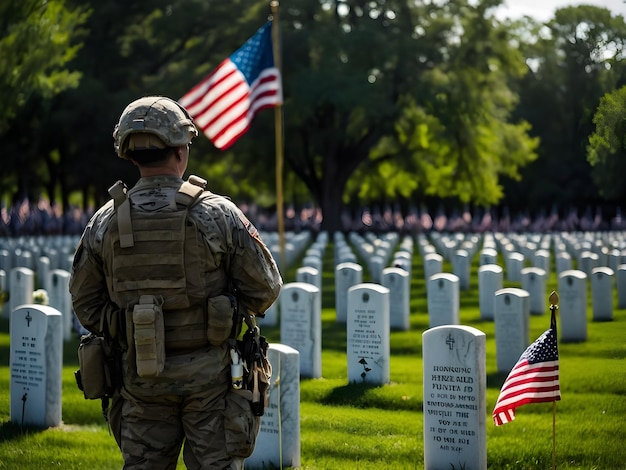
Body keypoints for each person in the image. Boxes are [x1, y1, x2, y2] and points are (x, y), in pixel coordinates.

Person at [69, 95, 283, 469]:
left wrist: (128, 325)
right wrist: (225, 311)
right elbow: (265, 287)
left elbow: (85, 302)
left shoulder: (103, 222)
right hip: (212, 381)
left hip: (140, 377)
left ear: (130, 154)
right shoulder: (217, 213)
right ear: (181, 150)